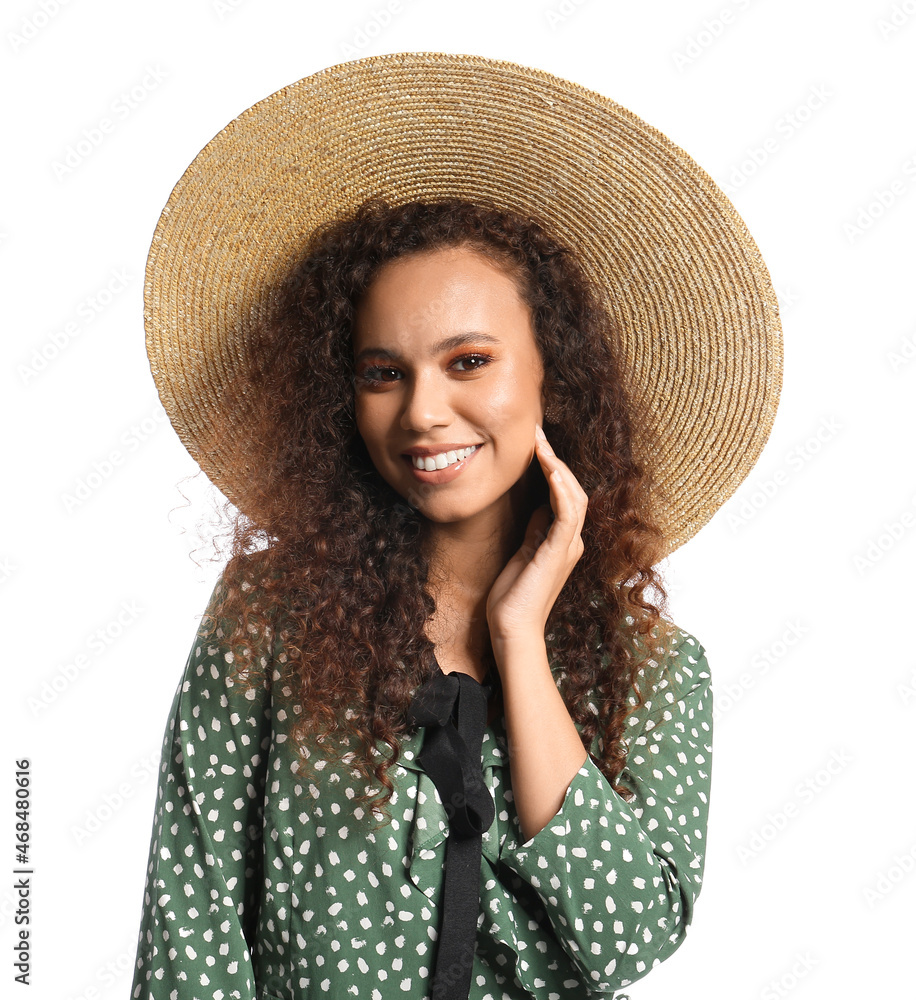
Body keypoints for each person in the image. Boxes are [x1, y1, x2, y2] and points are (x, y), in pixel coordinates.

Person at [131, 54, 782, 1000]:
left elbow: (631, 933)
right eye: (384, 373)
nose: (425, 412)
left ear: (551, 376)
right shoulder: (272, 616)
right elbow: (191, 929)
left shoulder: (654, 669)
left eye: (468, 361)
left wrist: (518, 641)